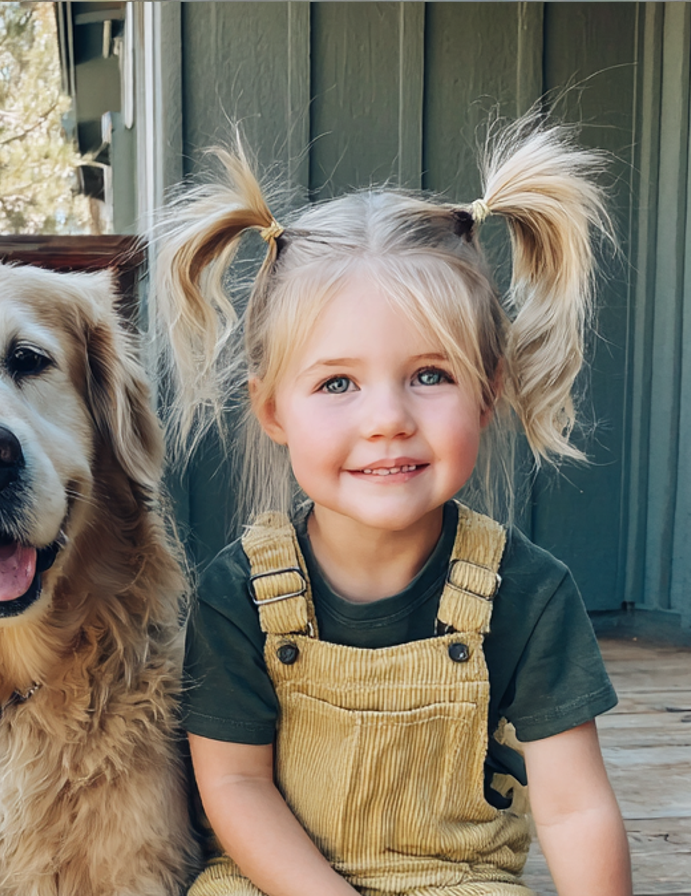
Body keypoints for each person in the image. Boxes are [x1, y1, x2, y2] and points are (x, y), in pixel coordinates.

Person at [147, 116, 632, 896]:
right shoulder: (236, 592)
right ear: (272, 411)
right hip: (279, 880)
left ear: (488, 391)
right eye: (337, 383)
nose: (387, 419)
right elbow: (235, 786)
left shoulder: (530, 595)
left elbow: (574, 808)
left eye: (431, 375)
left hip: (459, 878)